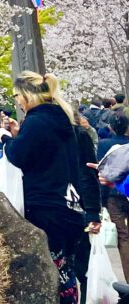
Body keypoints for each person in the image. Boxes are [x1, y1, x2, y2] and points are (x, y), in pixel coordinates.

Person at [3, 72, 91, 302]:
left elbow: (18, 155)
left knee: (46, 276)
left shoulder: (37, 120)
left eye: (17, 96)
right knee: (64, 274)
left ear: (27, 95)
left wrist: (6, 139)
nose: (17, 102)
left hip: (45, 208)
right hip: (70, 207)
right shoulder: (63, 118)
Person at [71, 111, 102, 297]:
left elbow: (88, 175)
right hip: (65, 206)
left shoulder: (79, 136)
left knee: (82, 266)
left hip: (77, 206)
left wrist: (92, 212)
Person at [97, 112, 129, 277]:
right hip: (125, 189)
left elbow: (102, 173)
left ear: (110, 127)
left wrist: (101, 202)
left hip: (112, 194)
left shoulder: (104, 145)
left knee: (123, 236)